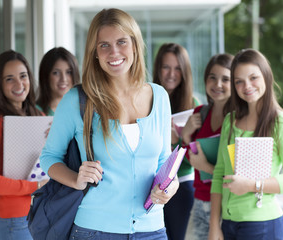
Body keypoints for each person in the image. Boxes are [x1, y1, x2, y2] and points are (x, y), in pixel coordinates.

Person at [39, 8, 179, 240]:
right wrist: (75, 178)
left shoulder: (160, 97)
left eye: (122, 42)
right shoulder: (76, 100)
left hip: (152, 230)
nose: (114, 52)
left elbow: (164, 162)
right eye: (104, 45)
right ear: (94, 52)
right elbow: (49, 157)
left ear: (135, 45)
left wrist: (170, 188)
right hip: (94, 230)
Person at [208, 49, 283, 240]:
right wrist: (214, 225)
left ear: (266, 77)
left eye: (253, 78)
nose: (247, 86)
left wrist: (252, 185)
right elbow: (219, 174)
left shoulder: (282, 123)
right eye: (239, 81)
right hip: (228, 224)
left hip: (263, 225)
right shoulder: (230, 120)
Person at [0, 50, 48, 240]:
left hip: (43, 215)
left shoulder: (39, 117)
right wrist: (34, 186)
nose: (19, 84)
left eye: (23, 76)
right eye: (9, 79)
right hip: (15, 222)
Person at [182, 53, 234, 240]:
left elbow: (237, 175)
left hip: (226, 205)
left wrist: (205, 167)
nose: (217, 84)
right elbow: (191, 159)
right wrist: (186, 135)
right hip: (200, 201)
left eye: (225, 79)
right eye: (212, 77)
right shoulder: (200, 113)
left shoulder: (239, 121)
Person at [153, 43, 199, 240]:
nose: (171, 74)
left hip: (182, 183)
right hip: (151, 184)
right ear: (158, 69)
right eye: (166, 67)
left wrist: (178, 140)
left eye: (177, 68)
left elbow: (197, 157)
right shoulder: (147, 99)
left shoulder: (194, 106)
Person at [36, 47, 80, 116]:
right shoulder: (35, 112)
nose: (63, 79)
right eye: (56, 73)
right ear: (45, 76)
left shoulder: (83, 110)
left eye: (69, 72)